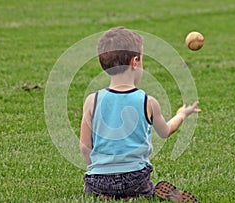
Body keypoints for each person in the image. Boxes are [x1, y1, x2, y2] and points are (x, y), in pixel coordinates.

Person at [80, 26, 201, 201]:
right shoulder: (148, 102)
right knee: (144, 186)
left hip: (98, 179)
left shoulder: (92, 100)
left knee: (95, 188)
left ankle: (105, 194)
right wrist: (182, 114)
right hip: (135, 178)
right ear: (135, 62)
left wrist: (98, 169)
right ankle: (146, 192)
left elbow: (85, 147)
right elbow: (165, 131)